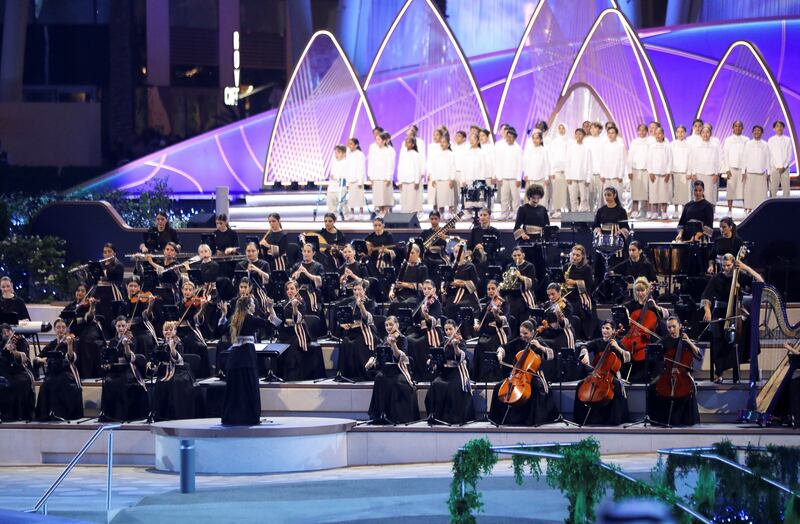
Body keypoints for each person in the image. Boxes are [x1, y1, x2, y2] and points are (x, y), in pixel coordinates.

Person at [701, 253, 763, 383]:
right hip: (720, 312)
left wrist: (745, 267)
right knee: (717, 336)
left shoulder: (740, 276)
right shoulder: (716, 278)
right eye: (723, 266)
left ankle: (749, 360)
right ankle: (719, 373)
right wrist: (707, 311)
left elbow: (760, 282)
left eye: (728, 265)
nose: (725, 268)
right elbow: (706, 297)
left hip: (736, 312)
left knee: (748, 328)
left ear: (734, 264)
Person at [489, 320, 559, 426]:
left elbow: (552, 355)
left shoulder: (538, 341)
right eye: (521, 333)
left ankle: (532, 420)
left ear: (532, 332)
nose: (523, 336)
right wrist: (500, 354)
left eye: (525, 333)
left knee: (536, 388)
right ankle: (496, 418)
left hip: (535, 375)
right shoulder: (519, 341)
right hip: (517, 375)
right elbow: (504, 347)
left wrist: (540, 347)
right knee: (498, 387)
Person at [219, 296, 271, 425]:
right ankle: (249, 417)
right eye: (253, 303)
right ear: (248, 306)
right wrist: (270, 309)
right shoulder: (251, 318)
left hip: (234, 357)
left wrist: (224, 314)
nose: (255, 306)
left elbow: (220, 329)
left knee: (235, 389)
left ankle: (232, 416)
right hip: (247, 356)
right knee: (248, 387)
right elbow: (272, 325)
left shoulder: (233, 318)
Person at [573, 319, 631, 426]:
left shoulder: (618, 343)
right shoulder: (597, 342)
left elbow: (628, 357)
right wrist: (585, 353)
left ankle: (615, 419)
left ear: (614, 331)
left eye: (607, 328)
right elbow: (584, 346)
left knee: (617, 386)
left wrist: (617, 347)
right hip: (596, 374)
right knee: (580, 385)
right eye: (603, 328)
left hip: (612, 375)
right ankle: (580, 418)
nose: (605, 330)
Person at [646, 316, 701, 426]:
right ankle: (657, 420)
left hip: (684, 375)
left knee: (688, 389)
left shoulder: (686, 341)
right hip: (667, 373)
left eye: (674, 327)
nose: (671, 330)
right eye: (669, 327)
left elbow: (699, 356)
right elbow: (654, 359)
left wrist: (689, 342)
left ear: (680, 326)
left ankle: (683, 420)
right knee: (651, 388)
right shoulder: (663, 341)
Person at [267, 280, 325, 380]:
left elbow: (297, 320)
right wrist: (270, 308)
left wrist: (294, 308)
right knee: (277, 345)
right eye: (287, 289)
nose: (289, 291)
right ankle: (276, 375)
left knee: (292, 346)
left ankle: (291, 376)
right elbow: (276, 321)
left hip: (297, 333)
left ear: (297, 290)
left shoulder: (301, 302)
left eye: (292, 289)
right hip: (285, 333)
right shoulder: (283, 303)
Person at [366, 316, 419, 424]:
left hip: (400, 369)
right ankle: (381, 413)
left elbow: (399, 358)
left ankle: (395, 416)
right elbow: (380, 355)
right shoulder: (385, 339)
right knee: (379, 377)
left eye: (391, 324)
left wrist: (394, 344)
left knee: (396, 382)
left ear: (397, 325)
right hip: (388, 369)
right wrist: (372, 360)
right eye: (386, 325)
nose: (389, 327)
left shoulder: (402, 339)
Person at [100, 317, 149, 422]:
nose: (121, 328)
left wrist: (126, 345)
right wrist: (108, 364)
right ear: (115, 327)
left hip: (129, 368)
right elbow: (110, 358)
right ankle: (110, 414)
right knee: (108, 382)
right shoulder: (113, 341)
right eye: (119, 326)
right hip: (115, 369)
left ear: (127, 326)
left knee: (123, 382)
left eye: (123, 326)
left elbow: (129, 357)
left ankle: (124, 414)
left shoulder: (132, 339)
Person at [621, 277, 669, 383]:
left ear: (647, 290)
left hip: (647, 338)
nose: (640, 293)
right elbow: (622, 316)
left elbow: (666, 315)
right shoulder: (631, 305)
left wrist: (656, 307)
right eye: (637, 290)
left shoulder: (651, 305)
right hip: (632, 336)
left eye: (642, 290)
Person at [425, 320, 474, 425]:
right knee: (435, 384)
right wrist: (431, 360)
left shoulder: (461, 342)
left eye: (450, 329)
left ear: (455, 329)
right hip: (445, 372)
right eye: (446, 329)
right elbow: (438, 357)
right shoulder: (443, 343)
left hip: (457, 371)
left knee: (452, 387)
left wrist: (456, 346)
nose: (448, 332)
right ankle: (436, 416)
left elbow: (460, 357)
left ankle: (453, 418)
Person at [34, 319, 83, 421]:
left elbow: (71, 358)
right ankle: (47, 414)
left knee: (62, 382)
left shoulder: (71, 342)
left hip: (67, 373)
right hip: (52, 374)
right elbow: (37, 358)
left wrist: (69, 345)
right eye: (58, 327)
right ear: (55, 330)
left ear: (66, 329)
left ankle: (62, 414)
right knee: (46, 384)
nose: (61, 330)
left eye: (63, 327)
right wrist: (42, 359)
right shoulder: (51, 344)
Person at [147, 320, 195, 421]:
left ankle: (174, 415)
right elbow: (155, 359)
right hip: (164, 371)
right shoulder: (160, 344)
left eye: (170, 329)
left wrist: (172, 349)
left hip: (178, 371)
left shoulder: (178, 343)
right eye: (165, 330)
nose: (168, 332)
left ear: (175, 331)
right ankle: (160, 415)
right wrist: (151, 363)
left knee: (174, 383)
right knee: (160, 383)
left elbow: (178, 359)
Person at [60, 284, 104, 378]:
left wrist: (92, 307)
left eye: (82, 291)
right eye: (78, 290)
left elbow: (89, 317)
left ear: (86, 293)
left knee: (85, 340)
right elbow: (63, 318)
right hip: (75, 331)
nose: (80, 293)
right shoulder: (71, 306)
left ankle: (86, 373)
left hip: (89, 330)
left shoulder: (88, 305)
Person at [336, 280, 376, 381]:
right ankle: (348, 374)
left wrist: (361, 306)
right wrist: (343, 324)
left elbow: (367, 319)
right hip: (352, 331)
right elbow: (343, 319)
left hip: (366, 331)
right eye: (354, 290)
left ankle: (362, 373)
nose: (357, 292)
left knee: (357, 343)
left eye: (359, 289)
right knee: (346, 342)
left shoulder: (370, 303)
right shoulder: (350, 304)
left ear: (364, 290)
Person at [472, 281, 511, 382]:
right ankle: (481, 377)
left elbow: (504, 319)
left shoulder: (504, 303)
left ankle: (493, 377)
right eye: (488, 289)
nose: (490, 291)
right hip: (487, 333)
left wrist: (496, 315)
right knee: (479, 345)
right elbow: (479, 318)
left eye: (493, 288)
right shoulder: (489, 304)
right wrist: (476, 324)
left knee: (488, 344)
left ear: (498, 289)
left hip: (499, 333)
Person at [406, 280, 444, 381]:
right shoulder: (422, 301)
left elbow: (433, 321)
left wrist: (426, 315)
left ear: (434, 290)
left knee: (417, 343)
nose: (426, 291)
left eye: (429, 289)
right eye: (425, 289)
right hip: (421, 329)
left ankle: (423, 372)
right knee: (408, 339)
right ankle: (415, 370)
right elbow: (416, 318)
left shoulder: (436, 303)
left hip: (432, 331)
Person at [0, 324, 35, 421]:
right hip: (5, 371)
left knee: (20, 383)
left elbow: (24, 358)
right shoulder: (1, 343)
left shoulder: (20, 340)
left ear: (12, 331)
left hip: (20, 371)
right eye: (3, 333)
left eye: (8, 331)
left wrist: (14, 351)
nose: (6, 334)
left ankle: (19, 414)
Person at [563, 244, 596, 340]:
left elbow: (589, 285)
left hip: (582, 296)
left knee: (575, 309)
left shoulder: (587, 269)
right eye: (573, 254)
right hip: (568, 295)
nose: (574, 257)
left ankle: (579, 336)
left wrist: (575, 282)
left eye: (577, 255)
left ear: (582, 257)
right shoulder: (566, 266)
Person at [443, 243, 479, 322]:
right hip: (452, 294)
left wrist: (461, 283)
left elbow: (475, 283)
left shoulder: (470, 266)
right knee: (449, 306)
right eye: (455, 252)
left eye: (459, 252)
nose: (457, 254)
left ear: (465, 253)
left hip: (466, 294)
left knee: (464, 306)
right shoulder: (451, 267)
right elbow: (446, 282)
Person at [505, 247, 538, 332]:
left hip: (524, 297)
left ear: (523, 255)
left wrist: (520, 276)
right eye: (515, 255)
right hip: (512, 296)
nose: (517, 257)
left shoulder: (529, 266)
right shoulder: (509, 266)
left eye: (519, 255)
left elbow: (532, 282)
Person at [688, 124, 722, 205]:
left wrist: (716, 174)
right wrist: (693, 173)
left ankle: (710, 214)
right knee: (699, 195)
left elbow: (717, 161)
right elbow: (692, 160)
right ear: (700, 134)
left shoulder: (714, 147)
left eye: (707, 132)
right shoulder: (696, 146)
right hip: (699, 173)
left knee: (710, 195)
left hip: (711, 174)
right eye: (703, 132)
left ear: (710, 134)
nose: (705, 134)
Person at [741, 125, 771, 212]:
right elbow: (744, 158)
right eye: (755, 130)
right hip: (750, 172)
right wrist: (743, 171)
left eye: (759, 130)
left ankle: (761, 208)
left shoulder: (765, 144)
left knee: (761, 193)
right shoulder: (748, 144)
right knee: (749, 192)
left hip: (761, 172)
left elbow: (768, 158)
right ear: (752, 132)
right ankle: (749, 208)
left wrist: (768, 172)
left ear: (762, 133)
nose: (757, 132)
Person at [496, 127, 523, 220]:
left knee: (515, 197)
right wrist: (499, 177)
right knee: (504, 197)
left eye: (510, 137)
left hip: (514, 177)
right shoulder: (503, 148)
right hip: (504, 177)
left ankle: (516, 213)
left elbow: (520, 164)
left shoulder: (518, 148)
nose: (508, 139)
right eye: (507, 137)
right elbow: (499, 162)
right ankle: (504, 213)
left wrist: (519, 178)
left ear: (515, 138)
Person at [290, 243, 324, 314]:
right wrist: (297, 273)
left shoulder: (318, 266)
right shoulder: (297, 265)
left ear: (313, 253)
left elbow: (320, 282)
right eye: (304, 251)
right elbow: (291, 281)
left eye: (308, 251)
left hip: (312, 293)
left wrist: (307, 273)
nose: (306, 253)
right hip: (298, 293)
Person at [722, 121, 748, 214]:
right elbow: (725, 155)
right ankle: (729, 209)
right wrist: (727, 169)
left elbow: (747, 155)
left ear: (742, 128)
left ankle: (746, 208)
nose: (737, 128)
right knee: (731, 189)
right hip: (731, 168)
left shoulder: (746, 140)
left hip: (742, 169)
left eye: (740, 126)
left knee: (744, 189)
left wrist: (745, 170)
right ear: (732, 128)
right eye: (736, 126)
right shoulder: (728, 140)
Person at [647, 127, 672, 219]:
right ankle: (654, 212)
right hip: (654, 174)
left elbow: (670, 160)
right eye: (656, 134)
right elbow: (649, 160)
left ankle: (664, 212)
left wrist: (668, 172)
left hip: (664, 174)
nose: (658, 135)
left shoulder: (667, 146)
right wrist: (650, 172)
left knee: (664, 194)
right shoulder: (652, 147)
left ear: (663, 135)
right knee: (654, 194)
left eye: (660, 133)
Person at [369, 131, 396, 215]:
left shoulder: (389, 151)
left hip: (385, 177)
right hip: (376, 177)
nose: (376, 141)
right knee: (378, 197)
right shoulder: (374, 150)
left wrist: (388, 177)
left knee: (385, 197)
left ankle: (385, 212)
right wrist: (370, 175)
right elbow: (371, 163)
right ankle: (380, 211)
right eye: (376, 139)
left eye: (379, 139)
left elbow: (391, 165)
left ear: (384, 141)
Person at [429, 134, 457, 216]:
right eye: (441, 142)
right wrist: (433, 179)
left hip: (448, 180)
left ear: (448, 143)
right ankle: (441, 215)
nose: (442, 144)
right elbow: (433, 167)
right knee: (440, 201)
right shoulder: (436, 154)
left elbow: (453, 167)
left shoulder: (451, 154)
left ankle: (450, 215)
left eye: (444, 142)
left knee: (449, 200)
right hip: (439, 180)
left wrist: (452, 179)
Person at [566, 128, 592, 212]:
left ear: (584, 136)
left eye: (580, 134)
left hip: (583, 176)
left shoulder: (587, 148)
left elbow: (589, 164)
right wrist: (568, 176)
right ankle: (574, 213)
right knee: (573, 197)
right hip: (572, 176)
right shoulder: (571, 148)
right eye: (576, 134)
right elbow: (568, 163)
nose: (578, 136)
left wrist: (588, 178)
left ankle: (583, 214)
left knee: (584, 197)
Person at [598, 124, 626, 201]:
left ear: (616, 134)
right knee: (606, 196)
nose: (610, 135)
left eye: (612, 133)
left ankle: (617, 212)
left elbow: (623, 161)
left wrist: (620, 175)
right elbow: (602, 160)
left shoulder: (620, 145)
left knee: (617, 196)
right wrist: (602, 174)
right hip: (606, 176)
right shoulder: (604, 145)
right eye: (609, 133)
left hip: (616, 176)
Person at [523, 132, 550, 209]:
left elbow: (547, 164)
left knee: (541, 196)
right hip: (531, 177)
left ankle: (542, 213)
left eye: (537, 138)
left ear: (541, 140)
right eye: (533, 138)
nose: (535, 140)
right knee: (531, 196)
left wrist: (547, 177)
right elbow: (525, 162)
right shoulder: (529, 149)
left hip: (541, 177)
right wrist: (526, 174)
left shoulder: (544, 150)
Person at [627, 124, 650, 218]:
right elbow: (630, 156)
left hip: (646, 169)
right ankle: (635, 210)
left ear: (647, 131)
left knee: (646, 191)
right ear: (637, 131)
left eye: (644, 130)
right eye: (640, 130)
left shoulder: (650, 142)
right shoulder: (634, 142)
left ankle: (644, 210)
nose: (642, 132)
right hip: (635, 169)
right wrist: (629, 170)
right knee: (635, 191)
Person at [548, 123, 569, 218]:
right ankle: (557, 210)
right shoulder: (554, 142)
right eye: (559, 128)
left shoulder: (569, 142)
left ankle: (568, 211)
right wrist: (551, 171)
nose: (561, 130)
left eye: (563, 128)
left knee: (567, 192)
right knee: (557, 191)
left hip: (567, 171)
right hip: (556, 170)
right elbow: (551, 157)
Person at [669, 125, 691, 218]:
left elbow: (691, 159)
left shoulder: (689, 145)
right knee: (676, 192)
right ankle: (676, 210)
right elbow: (669, 158)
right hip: (675, 171)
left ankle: (684, 210)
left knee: (685, 193)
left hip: (685, 172)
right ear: (676, 133)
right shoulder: (672, 144)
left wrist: (689, 171)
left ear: (685, 133)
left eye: (682, 132)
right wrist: (670, 170)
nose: (680, 134)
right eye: (678, 132)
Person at [398, 136, 423, 214]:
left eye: (409, 142)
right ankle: (405, 215)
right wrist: (400, 181)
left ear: (413, 144)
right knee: (404, 199)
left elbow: (417, 168)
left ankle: (412, 215)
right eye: (406, 142)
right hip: (404, 180)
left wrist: (417, 181)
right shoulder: (403, 154)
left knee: (412, 199)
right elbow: (400, 167)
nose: (407, 144)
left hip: (412, 180)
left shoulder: (416, 154)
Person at [768, 120, 793, 198]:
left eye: (781, 126)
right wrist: (776, 166)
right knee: (773, 188)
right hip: (774, 168)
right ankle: (772, 206)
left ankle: (786, 207)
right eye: (777, 126)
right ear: (774, 128)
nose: (779, 128)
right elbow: (770, 155)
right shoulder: (771, 140)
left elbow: (789, 155)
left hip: (785, 168)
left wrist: (784, 166)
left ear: (783, 128)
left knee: (786, 189)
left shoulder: (787, 139)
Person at [345, 138, 367, 219]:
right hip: (350, 179)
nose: (349, 145)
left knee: (360, 197)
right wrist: (347, 182)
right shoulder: (348, 154)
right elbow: (347, 168)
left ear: (356, 145)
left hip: (358, 179)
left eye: (351, 144)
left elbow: (361, 168)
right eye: (349, 144)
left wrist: (360, 180)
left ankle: (361, 213)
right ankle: (352, 213)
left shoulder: (360, 154)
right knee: (351, 198)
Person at [327, 145, 347, 213]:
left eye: (338, 152)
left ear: (344, 153)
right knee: (331, 205)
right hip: (332, 187)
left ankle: (346, 217)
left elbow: (345, 176)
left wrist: (336, 177)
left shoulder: (345, 163)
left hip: (340, 188)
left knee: (343, 205)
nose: (336, 154)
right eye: (335, 152)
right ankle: (332, 218)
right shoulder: (334, 162)